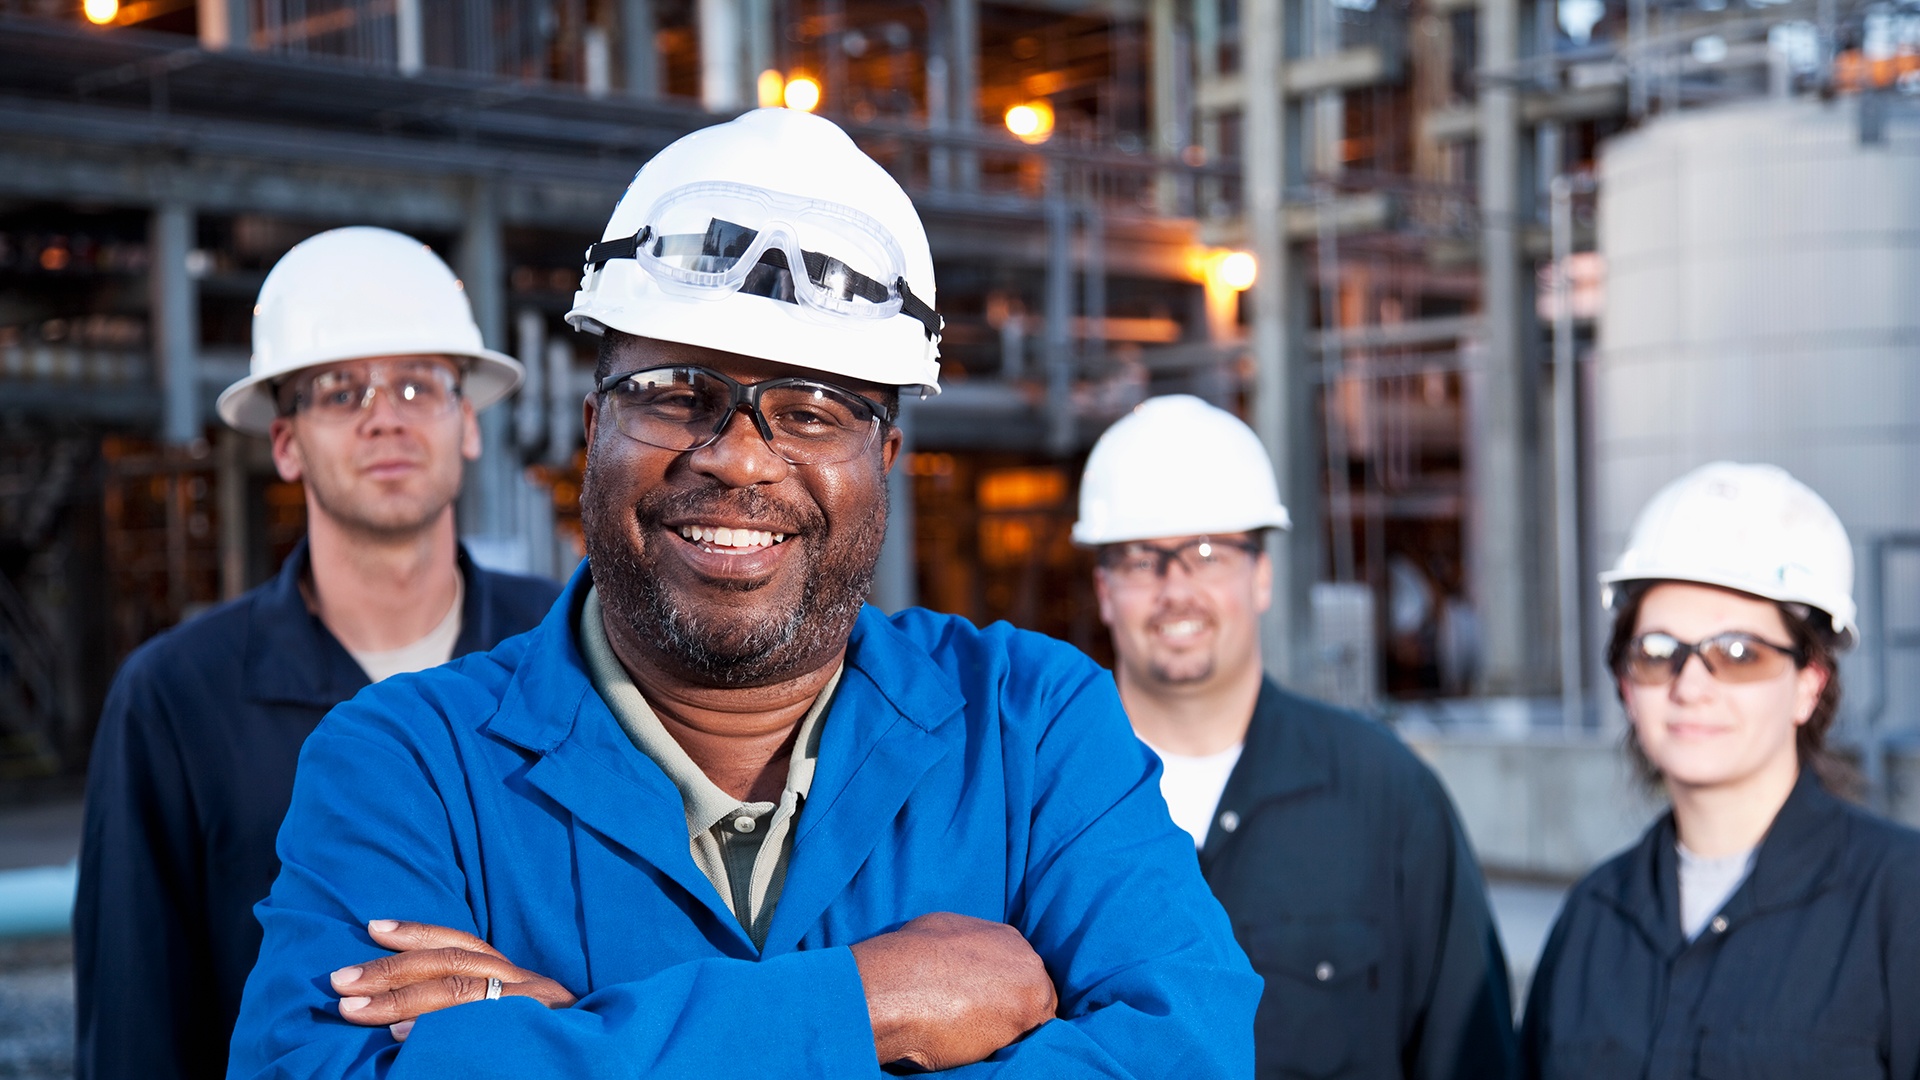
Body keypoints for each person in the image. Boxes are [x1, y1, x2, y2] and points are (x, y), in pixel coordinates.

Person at [227, 108, 1259, 1078]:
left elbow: (1192, 1049)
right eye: (679, 395)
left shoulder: (1029, 727)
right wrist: (865, 1007)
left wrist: (567, 1043)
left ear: (886, 456)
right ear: (595, 429)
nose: (740, 461)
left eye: (810, 412)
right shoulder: (407, 768)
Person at [74, 227, 563, 1080]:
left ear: (470, 424)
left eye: (420, 384)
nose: (386, 415)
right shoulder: (176, 696)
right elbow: (134, 1019)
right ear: (286, 442)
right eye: (341, 392)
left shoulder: (566, 655)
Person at [1074, 394, 1518, 1080]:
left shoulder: (1388, 799)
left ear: (1262, 576)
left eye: (1208, 553)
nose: (1176, 591)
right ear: (1105, 589)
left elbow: (1471, 1055)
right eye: (1142, 558)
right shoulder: (1045, 799)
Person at [1519, 461, 1920, 1079]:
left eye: (1738, 653)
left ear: (1808, 685)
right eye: (1658, 653)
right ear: (1627, 685)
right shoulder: (1593, 920)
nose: (1691, 685)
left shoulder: (1898, 903)